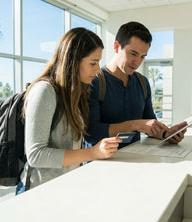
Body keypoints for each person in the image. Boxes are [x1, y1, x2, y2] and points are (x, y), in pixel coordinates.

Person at [17, 27, 121, 194]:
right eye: (93, 63)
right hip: (39, 191)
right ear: (73, 60)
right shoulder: (45, 91)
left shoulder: (74, 93)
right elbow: (36, 155)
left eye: (98, 63)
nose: (97, 70)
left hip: (65, 186)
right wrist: (93, 153)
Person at [86, 21, 187, 149]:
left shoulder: (142, 83)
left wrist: (166, 134)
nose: (137, 62)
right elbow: (90, 133)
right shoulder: (94, 81)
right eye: (133, 54)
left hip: (134, 160)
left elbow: (149, 124)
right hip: (98, 165)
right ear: (116, 47)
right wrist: (133, 125)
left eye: (142, 57)